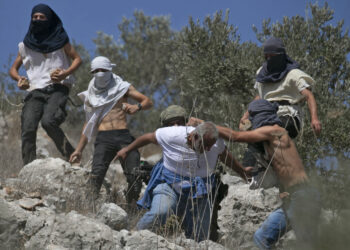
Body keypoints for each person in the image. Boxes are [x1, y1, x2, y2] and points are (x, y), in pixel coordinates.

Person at [189, 99, 321, 249]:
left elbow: (237, 137)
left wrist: (206, 126)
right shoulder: (270, 138)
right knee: (261, 239)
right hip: (293, 198)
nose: (250, 121)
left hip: (303, 197)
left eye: (252, 117)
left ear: (261, 115)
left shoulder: (274, 131)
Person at [116, 121, 251, 242]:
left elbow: (225, 157)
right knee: (160, 212)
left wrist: (242, 171)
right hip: (170, 182)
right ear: (194, 136)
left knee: (201, 236)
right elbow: (148, 138)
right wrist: (127, 150)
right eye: (206, 145)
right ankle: (132, 238)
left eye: (211, 146)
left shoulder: (215, 143)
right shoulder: (173, 135)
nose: (209, 149)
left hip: (201, 189)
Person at [69, 56, 152, 204]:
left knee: (135, 175)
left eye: (103, 70)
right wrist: (79, 150)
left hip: (123, 136)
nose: (100, 73)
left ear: (110, 70)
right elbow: (89, 123)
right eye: (96, 70)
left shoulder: (122, 88)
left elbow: (148, 102)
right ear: (92, 72)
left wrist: (137, 107)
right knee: (97, 175)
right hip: (103, 138)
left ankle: (131, 206)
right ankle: (90, 207)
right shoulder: (91, 95)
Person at [9, 4, 82, 165]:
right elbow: (13, 69)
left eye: (42, 17)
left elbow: (77, 59)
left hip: (58, 88)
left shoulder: (61, 40)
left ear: (49, 20)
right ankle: (29, 167)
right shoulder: (26, 45)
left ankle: (72, 157)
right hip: (35, 90)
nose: (38, 20)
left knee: (49, 121)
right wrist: (19, 79)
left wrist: (65, 73)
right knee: (28, 126)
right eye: (35, 17)